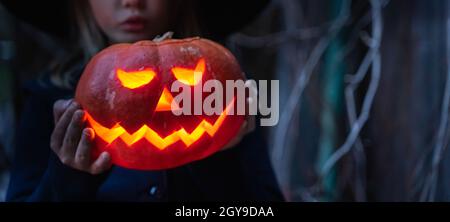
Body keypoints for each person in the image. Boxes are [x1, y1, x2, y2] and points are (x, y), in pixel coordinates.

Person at [4, 0, 283, 201]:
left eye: (188, 78)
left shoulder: (222, 95)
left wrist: (221, 154)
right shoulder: (47, 103)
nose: (131, 2)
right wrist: (68, 176)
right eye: (133, 80)